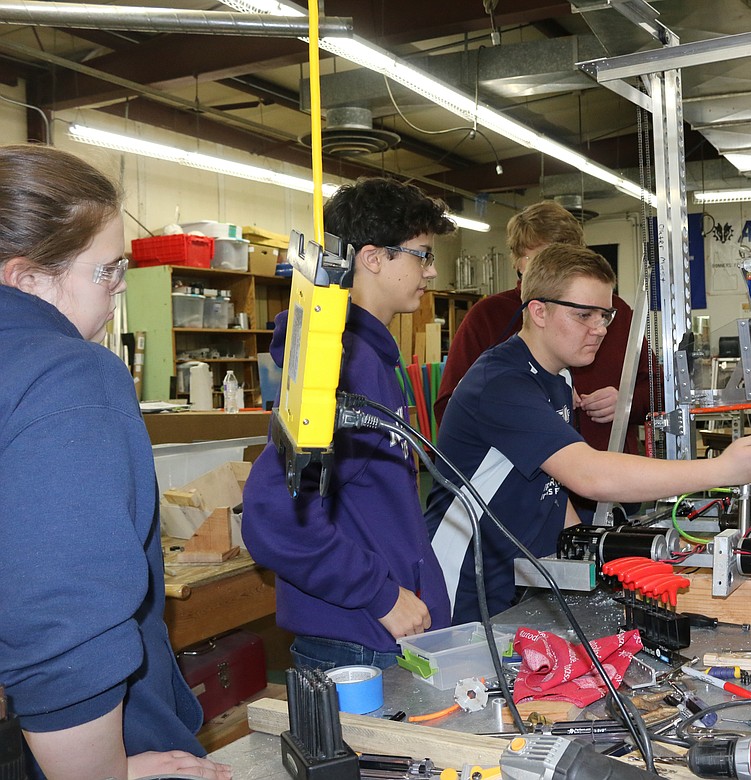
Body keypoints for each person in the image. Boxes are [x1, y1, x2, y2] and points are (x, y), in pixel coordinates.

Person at [0, 144, 228, 778]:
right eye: (108, 269)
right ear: (25, 278)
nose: (122, 285)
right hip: (101, 739)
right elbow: (62, 615)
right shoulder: (67, 372)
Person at [426, 243, 751, 623]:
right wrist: (722, 471)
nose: (600, 330)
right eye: (584, 315)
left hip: (519, 574)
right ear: (538, 311)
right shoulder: (501, 382)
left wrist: (588, 553)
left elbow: (552, 484)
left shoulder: (558, 377)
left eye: (604, 315)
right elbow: (588, 474)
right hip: (464, 581)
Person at [243, 177, 455, 670]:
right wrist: (378, 594)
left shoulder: (369, 358)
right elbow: (274, 515)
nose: (433, 270)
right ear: (374, 257)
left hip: (371, 634)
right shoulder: (344, 366)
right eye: (422, 255)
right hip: (355, 641)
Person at [434, 201, 654, 456]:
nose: (598, 328)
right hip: (526, 483)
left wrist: (627, 402)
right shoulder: (487, 317)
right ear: (517, 262)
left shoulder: (617, 313)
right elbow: (454, 407)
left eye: (566, 257)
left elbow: (656, 387)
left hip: (611, 471)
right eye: (542, 259)